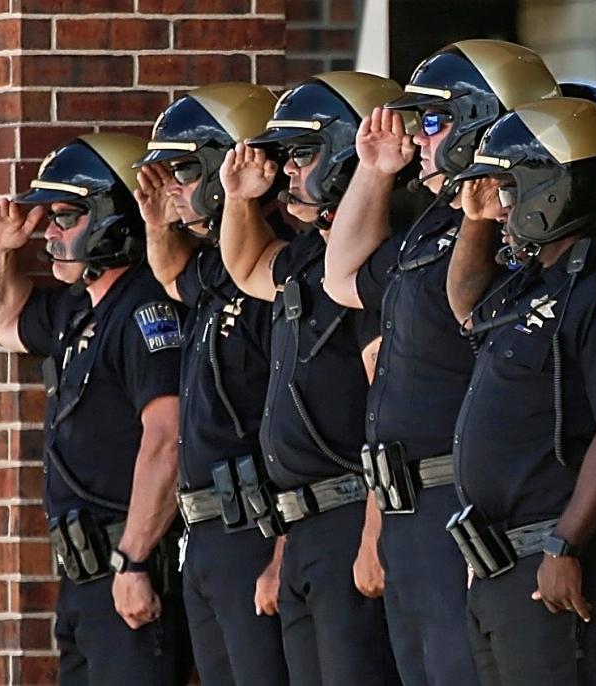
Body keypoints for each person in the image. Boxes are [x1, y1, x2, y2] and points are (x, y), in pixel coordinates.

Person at [322, 40, 559, 686]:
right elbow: (341, 276)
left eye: (434, 122)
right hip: (405, 508)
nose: (420, 139)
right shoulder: (430, 226)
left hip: (458, 500)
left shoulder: (514, 229)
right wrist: (374, 170)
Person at [0, 133, 192, 685]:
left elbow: (167, 439)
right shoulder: (79, 309)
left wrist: (136, 560)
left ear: (110, 219)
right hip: (85, 576)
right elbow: (3, 319)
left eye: (66, 216)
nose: (50, 231)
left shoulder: (145, 306)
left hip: (129, 561)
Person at [218, 71, 404, 686]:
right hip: (302, 525)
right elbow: (245, 265)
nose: (290, 171)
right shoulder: (305, 258)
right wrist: (242, 197)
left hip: (355, 514)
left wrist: (375, 533)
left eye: (302, 154)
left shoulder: (376, 267)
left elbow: (386, 406)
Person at [444, 97, 596, 685]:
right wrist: (475, 219)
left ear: (551, 189)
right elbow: (466, 306)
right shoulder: (529, 282)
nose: (501, 207)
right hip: (500, 569)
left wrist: (564, 544)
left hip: (553, 564)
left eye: (508, 190)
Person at [131, 83, 290, 686]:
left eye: (187, 170)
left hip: (257, 524)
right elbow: (173, 272)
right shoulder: (214, 269)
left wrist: (281, 548)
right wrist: (156, 220)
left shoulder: (277, 270)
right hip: (205, 533)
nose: (173, 187)